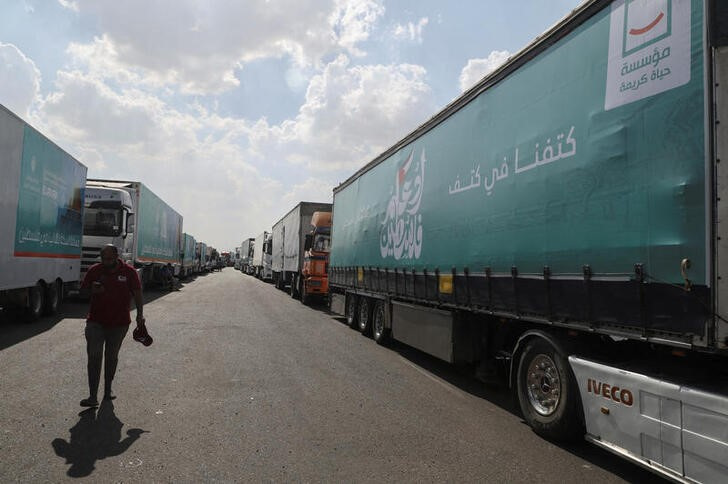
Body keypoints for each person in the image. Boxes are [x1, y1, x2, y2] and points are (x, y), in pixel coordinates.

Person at [79, 244, 144, 407]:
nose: (106, 262)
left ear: (117, 257)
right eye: (103, 259)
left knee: (111, 357)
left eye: (109, 259)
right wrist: (91, 291)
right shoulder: (94, 270)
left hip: (119, 324)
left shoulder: (129, 272)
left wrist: (140, 316)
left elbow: (137, 293)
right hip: (96, 322)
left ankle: (108, 390)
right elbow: (82, 292)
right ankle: (92, 396)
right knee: (94, 356)